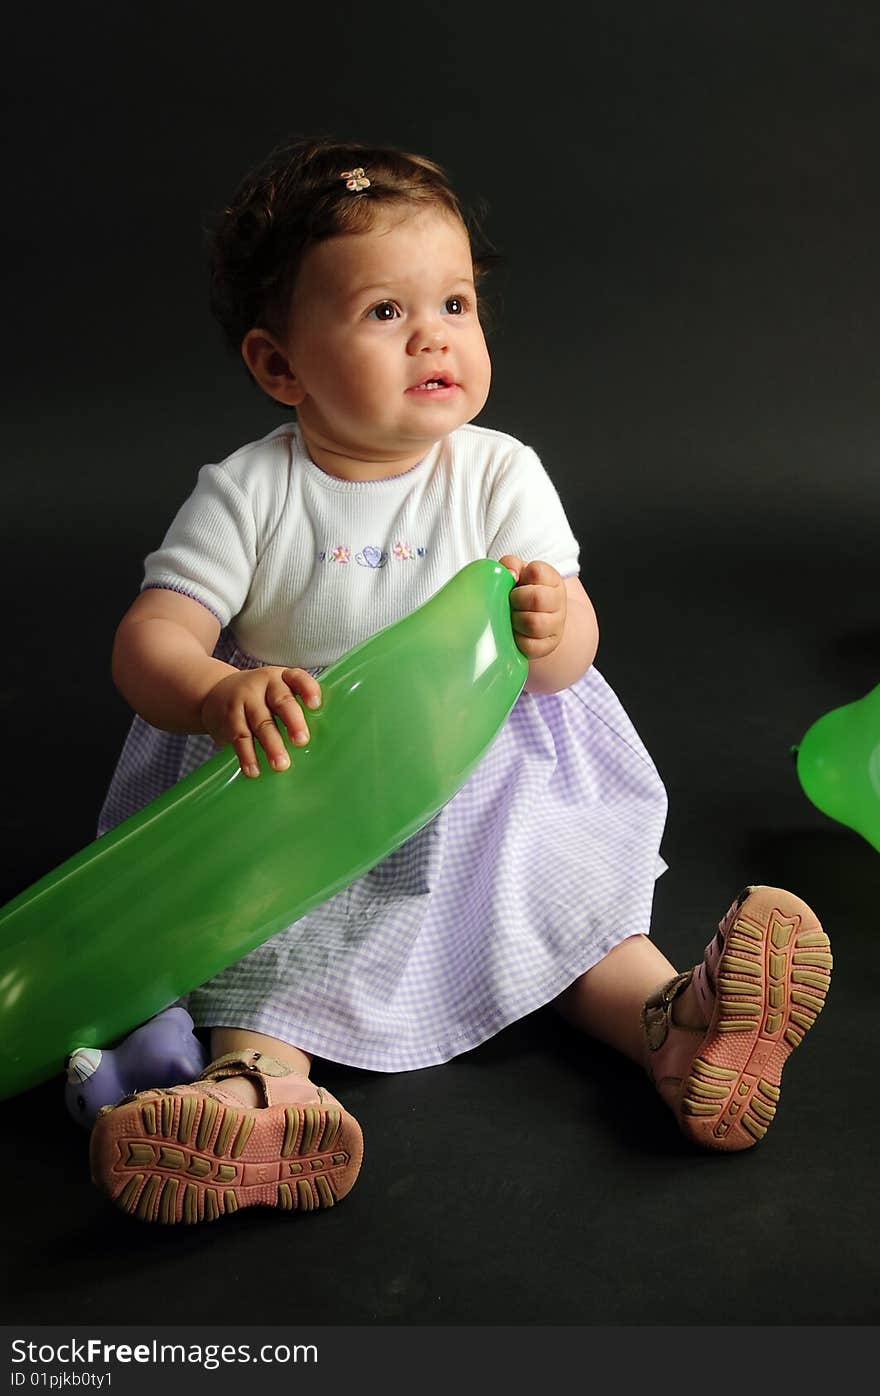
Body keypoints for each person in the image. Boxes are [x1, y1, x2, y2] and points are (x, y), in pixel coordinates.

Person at [88, 137, 833, 1225]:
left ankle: (676, 1025)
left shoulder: (496, 469)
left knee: (557, 900)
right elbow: (147, 639)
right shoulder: (249, 492)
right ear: (279, 366)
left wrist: (552, 625)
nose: (434, 332)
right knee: (269, 933)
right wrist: (211, 692)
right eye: (384, 312)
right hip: (304, 777)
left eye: (455, 302)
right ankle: (258, 1095)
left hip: (480, 762)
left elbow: (570, 657)